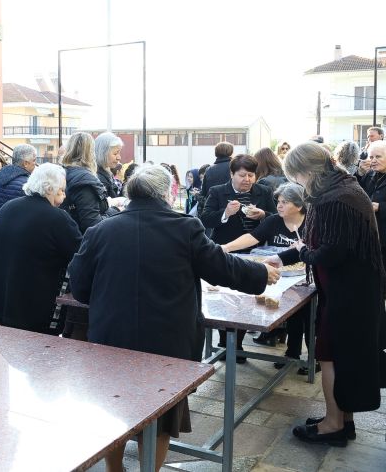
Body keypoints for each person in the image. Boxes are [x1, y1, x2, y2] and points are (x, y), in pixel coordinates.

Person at [68, 165, 278, 471]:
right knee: (162, 414)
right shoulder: (184, 227)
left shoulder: (100, 231)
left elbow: (80, 288)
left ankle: (114, 469)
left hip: (112, 335)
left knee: (113, 406)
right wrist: (262, 272)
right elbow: (222, 268)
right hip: (168, 338)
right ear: (168, 192)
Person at [269, 142, 386, 447]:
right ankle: (342, 420)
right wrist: (284, 257)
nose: (298, 185)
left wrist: (304, 253)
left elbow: (330, 252)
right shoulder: (343, 187)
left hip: (347, 294)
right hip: (354, 291)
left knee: (330, 356)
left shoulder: (335, 198)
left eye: (297, 178)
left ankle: (332, 425)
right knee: (345, 356)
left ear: (308, 171)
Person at [0, 163, 82, 332]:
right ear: (49, 189)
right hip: (34, 305)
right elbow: (79, 254)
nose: (64, 195)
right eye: (61, 190)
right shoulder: (58, 218)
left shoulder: (8, 208)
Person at [200, 153, 276, 360]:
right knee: (225, 298)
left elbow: (277, 219)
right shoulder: (217, 192)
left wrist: (263, 215)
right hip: (226, 249)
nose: (247, 180)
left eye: (251, 175)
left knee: (249, 297)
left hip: (256, 252)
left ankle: (238, 345)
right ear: (232, 174)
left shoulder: (264, 191)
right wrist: (225, 214)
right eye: (243, 175)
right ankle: (225, 342)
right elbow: (205, 219)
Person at [221, 183, 309, 358]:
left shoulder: (311, 222)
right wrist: (226, 247)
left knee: (300, 313)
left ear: (299, 205)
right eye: (279, 201)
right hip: (275, 275)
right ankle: (232, 348)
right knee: (244, 298)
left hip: (302, 278)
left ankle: (294, 354)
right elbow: (252, 238)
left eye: (285, 202)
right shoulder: (274, 220)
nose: (279, 206)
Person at [60, 132, 122, 234]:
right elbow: (92, 223)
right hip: (83, 242)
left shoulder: (63, 172)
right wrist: (115, 210)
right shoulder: (85, 181)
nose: (119, 157)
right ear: (91, 152)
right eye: (115, 153)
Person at [358, 140, 386, 269]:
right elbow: (356, 191)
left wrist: (380, 207)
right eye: (371, 157)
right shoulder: (370, 173)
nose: (373, 160)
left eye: (378, 157)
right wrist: (358, 174)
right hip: (370, 234)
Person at [0, 144, 37, 212]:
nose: (35, 163)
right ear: (25, 163)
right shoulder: (27, 184)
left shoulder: (0, 176)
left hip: (1, 220)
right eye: (34, 160)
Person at [94, 132, 123, 198]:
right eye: (115, 153)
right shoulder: (99, 178)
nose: (119, 157)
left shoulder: (106, 173)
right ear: (103, 153)